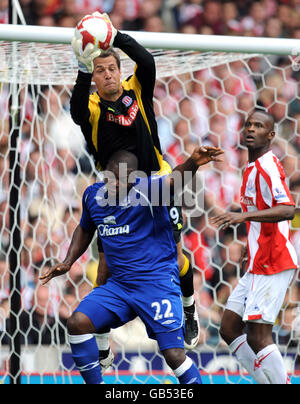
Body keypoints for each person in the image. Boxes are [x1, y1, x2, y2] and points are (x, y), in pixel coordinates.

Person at [70, 11, 200, 363]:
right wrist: (83, 69)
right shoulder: (93, 106)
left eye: (112, 67)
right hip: (114, 188)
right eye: (100, 70)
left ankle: (188, 310)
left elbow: (145, 60)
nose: (108, 74)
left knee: (174, 253)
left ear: (118, 70)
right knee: (106, 264)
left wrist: (115, 35)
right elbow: (76, 110)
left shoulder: (136, 89)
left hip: (157, 182)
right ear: (94, 77)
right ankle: (100, 342)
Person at [40, 146, 223, 384]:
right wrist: (68, 261)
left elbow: (173, 182)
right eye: (110, 177)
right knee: (77, 323)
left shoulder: (148, 191)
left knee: (174, 354)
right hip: (121, 287)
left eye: (122, 179)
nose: (114, 183)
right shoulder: (93, 196)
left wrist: (193, 162)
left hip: (156, 284)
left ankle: (189, 309)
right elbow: (85, 228)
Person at [211, 110, 298, 384]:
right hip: (259, 259)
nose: (251, 129)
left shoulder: (267, 166)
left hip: (274, 260)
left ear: (270, 135)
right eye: (248, 124)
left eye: (259, 126)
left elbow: (287, 209)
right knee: (229, 327)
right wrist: (251, 241)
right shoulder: (251, 166)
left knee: (258, 335)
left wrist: (243, 216)